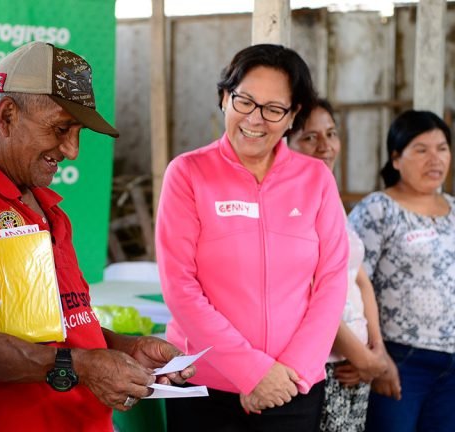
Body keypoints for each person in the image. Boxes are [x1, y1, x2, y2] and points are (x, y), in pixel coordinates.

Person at [0, 41, 195, 432]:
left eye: (77, 133)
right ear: (7, 115)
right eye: (60, 129)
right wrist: (81, 366)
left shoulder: (48, 208)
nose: (72, 150)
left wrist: (122, 347)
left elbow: (62, 324)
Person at [155, 44, 349, 432]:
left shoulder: (316, 181)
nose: (255, 120)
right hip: (205, 385)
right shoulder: (188, 174)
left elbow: (332, 282)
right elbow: (180, 286)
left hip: (291, 387)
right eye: (244, 101)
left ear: (293, 116)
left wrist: (287, 374)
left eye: (274, 109)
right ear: (225, 98)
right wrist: (251, 371)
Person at [348, 109, 455, 432]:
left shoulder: (454, 208)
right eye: (421, 149)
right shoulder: (378, 209)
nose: (434, 159)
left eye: (442, 148)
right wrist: (375, 357)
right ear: (396, 158)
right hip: (400, 359)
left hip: (451, 365)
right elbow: (350, 285)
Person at [289, 99, 390, 432]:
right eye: (309, 137)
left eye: (331, 134)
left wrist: (376, 347)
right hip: (325, 364)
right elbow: (309, 296)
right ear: (284, 142)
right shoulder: (289, 203)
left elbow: (358, 278)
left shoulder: (328, 195)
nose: (325, 146)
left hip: (354, 362)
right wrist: (365, 359)